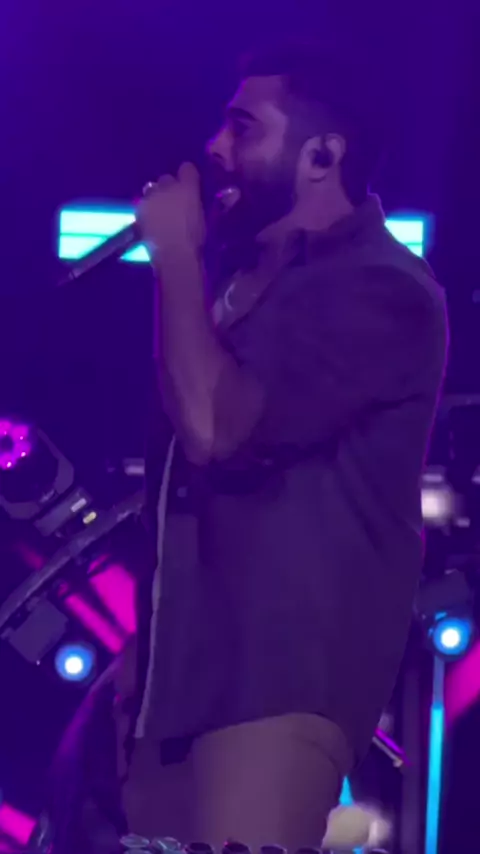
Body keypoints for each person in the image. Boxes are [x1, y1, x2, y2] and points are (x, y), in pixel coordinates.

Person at [122, 43, 448, 851]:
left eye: (243, 128)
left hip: (276, 677)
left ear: (322, 156)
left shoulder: (382, 287)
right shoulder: (242, 283)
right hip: (176, 675)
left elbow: (216, 429)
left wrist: (174, 258)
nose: (215, 147)